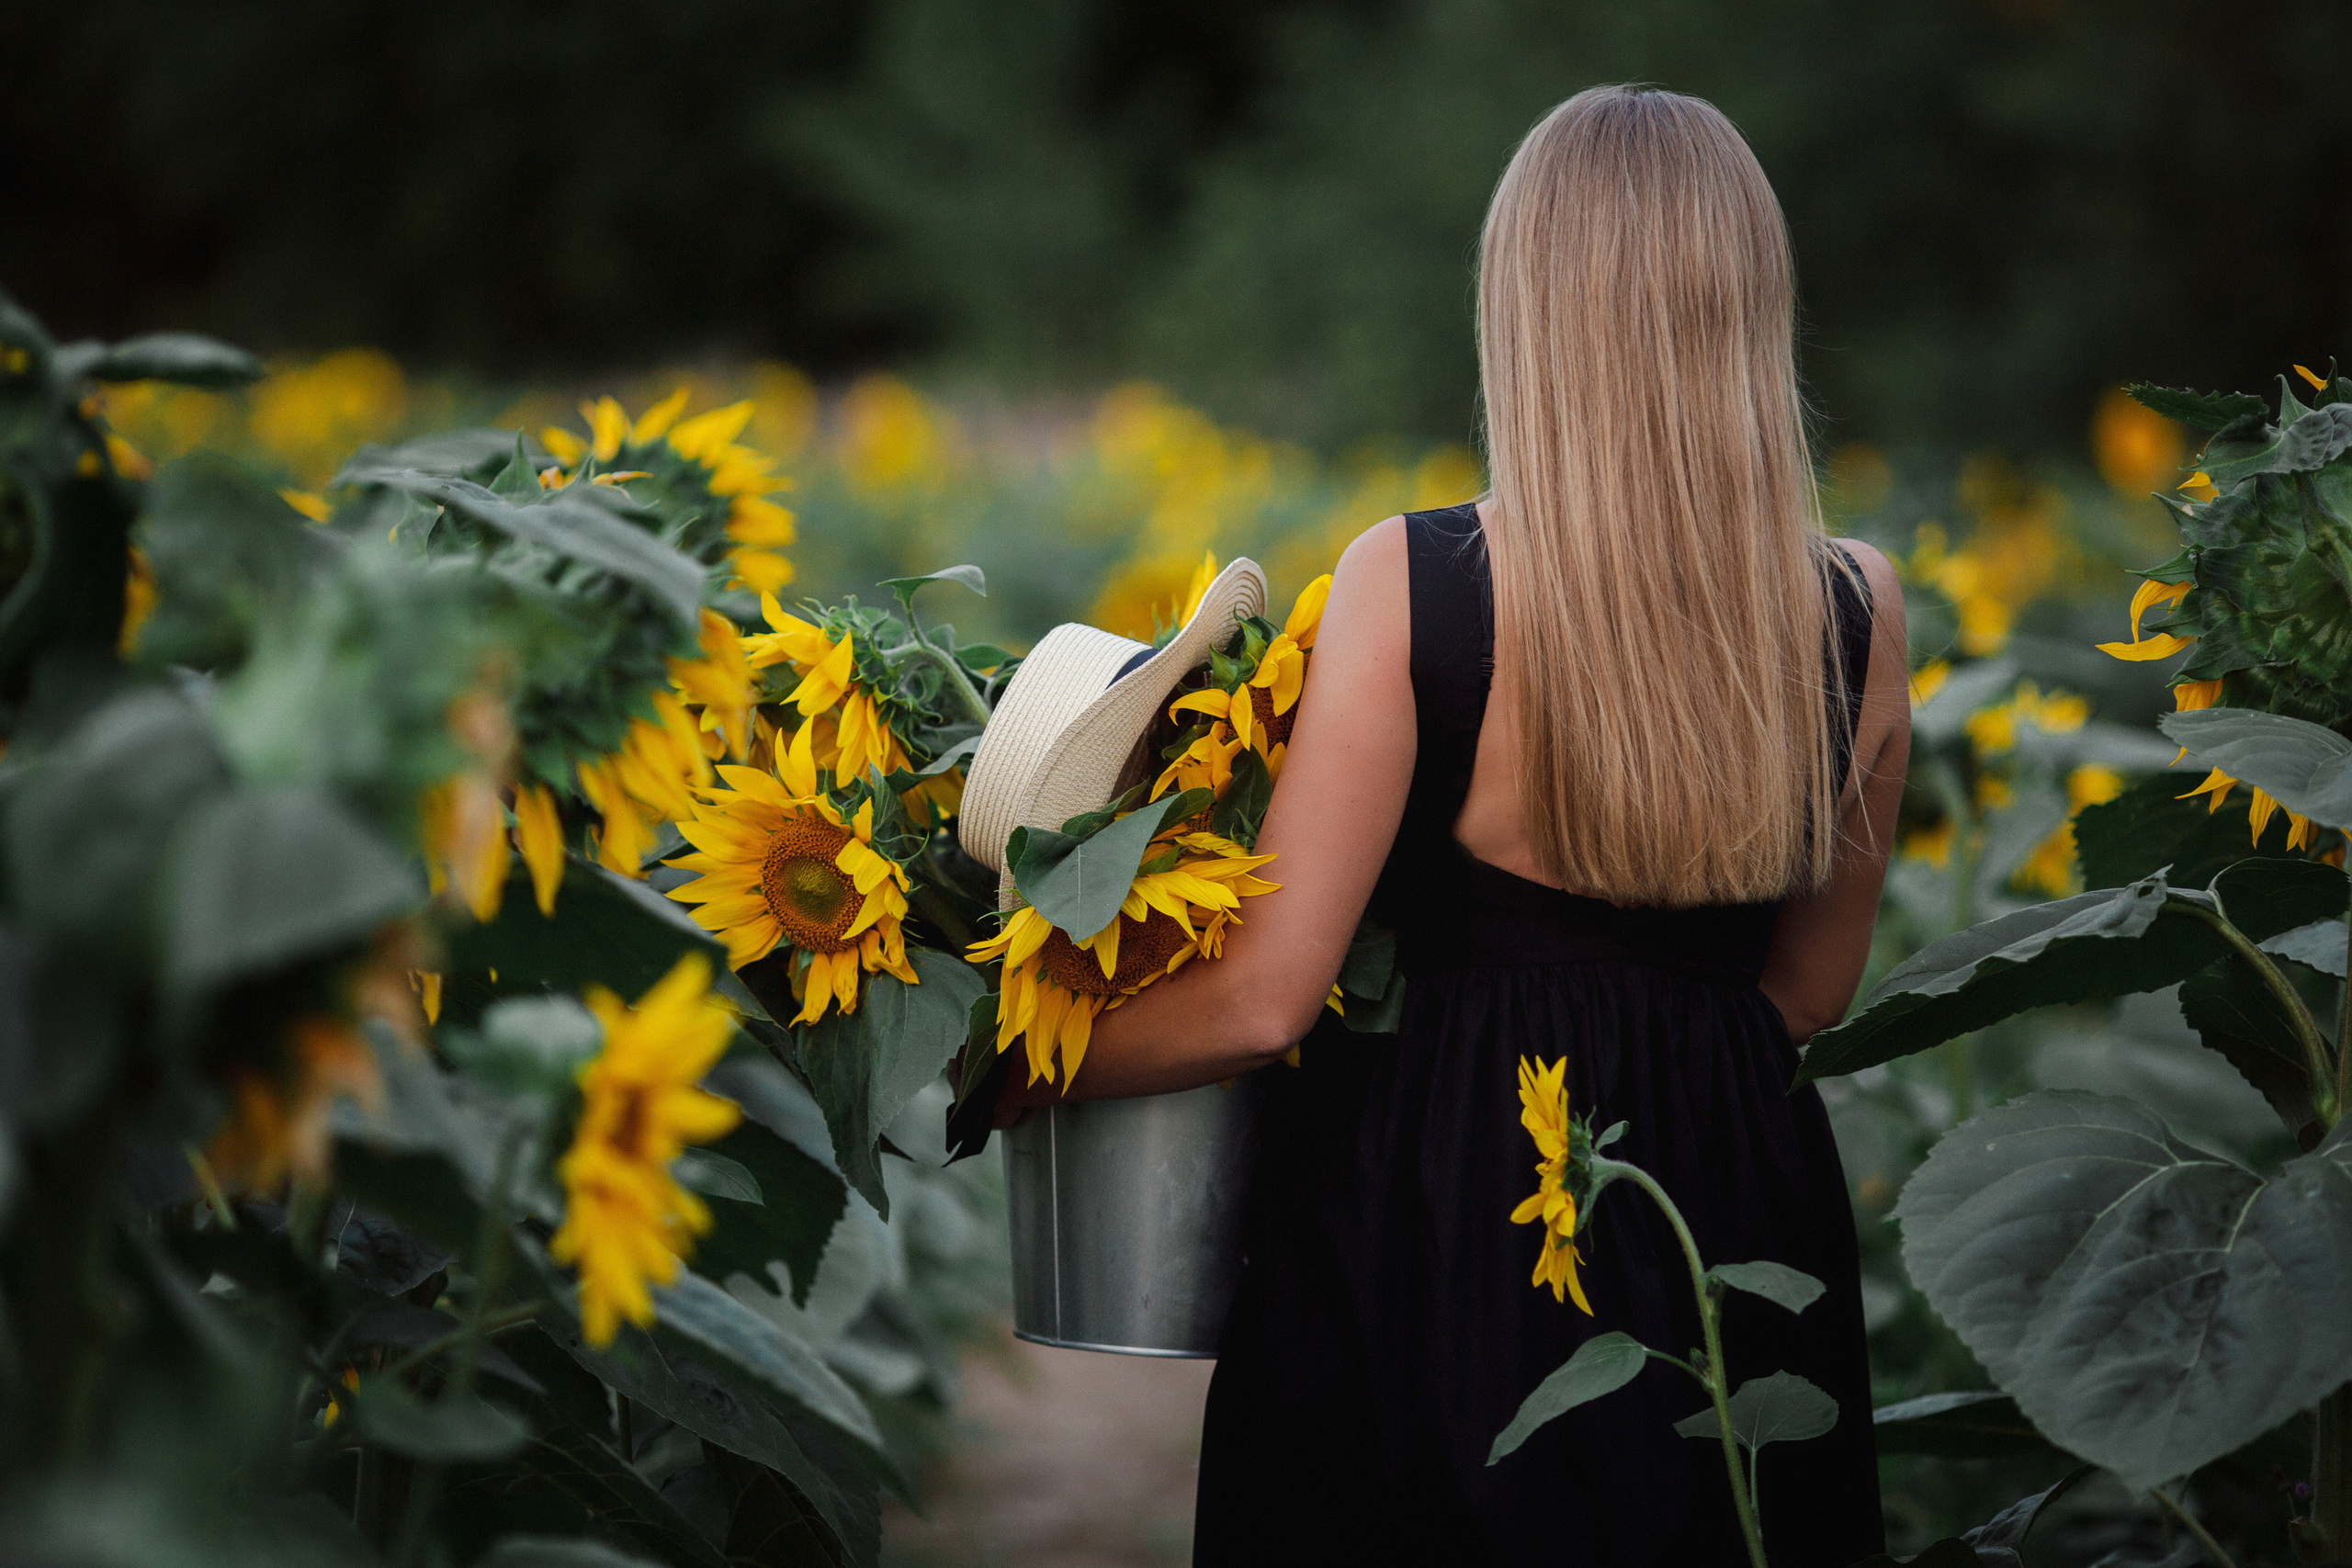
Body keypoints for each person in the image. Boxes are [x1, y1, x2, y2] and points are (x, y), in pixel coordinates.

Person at [993, 84, 1906, 1564]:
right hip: (1725, 1211)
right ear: (1750, 309)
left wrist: (1024, 1069)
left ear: (1525, 309)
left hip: (1459, 1207)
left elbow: (1268, 997)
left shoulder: (1417, 583)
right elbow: (1808, 992)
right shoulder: (1859, 606)